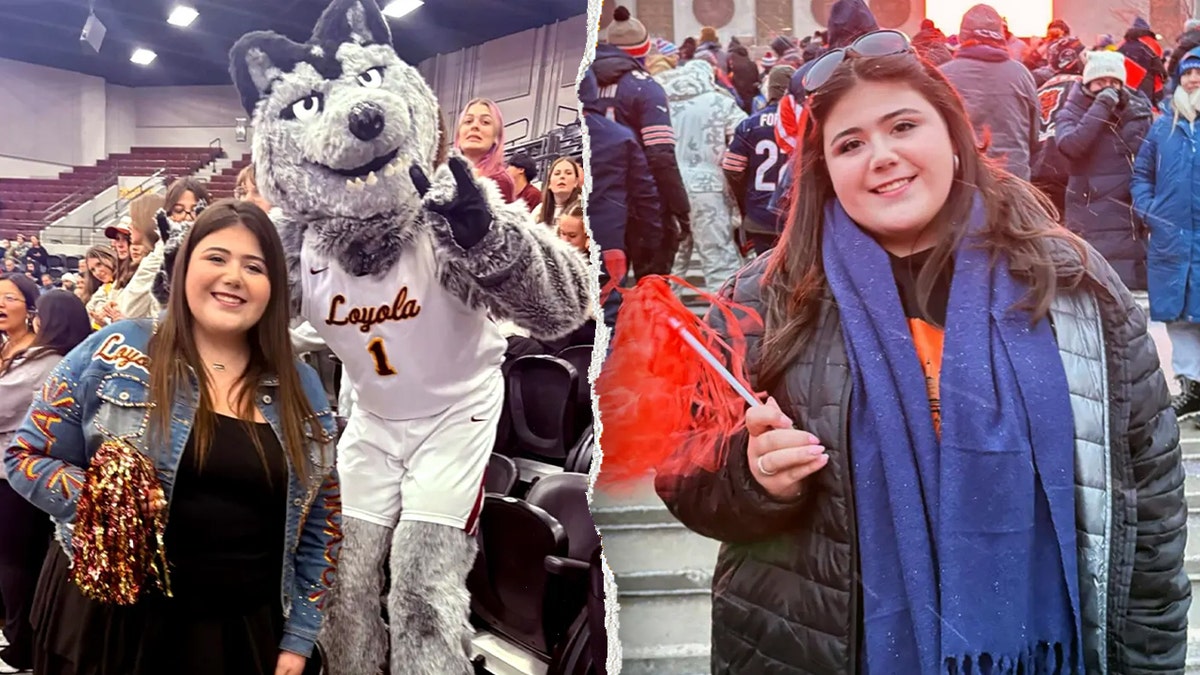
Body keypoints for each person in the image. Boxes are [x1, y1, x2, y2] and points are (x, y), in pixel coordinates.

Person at [650, 28, 1187, 672]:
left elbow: (1148, 505)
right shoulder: (763, 299)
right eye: (850, 144)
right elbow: (684, 473)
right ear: (825, 171)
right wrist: (752, 476)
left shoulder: (1072, 283)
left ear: (954, 136)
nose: (881, 156)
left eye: (903, 126)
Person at [3, 200, 343, 675]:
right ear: (183, 269)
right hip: (107, 624)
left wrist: (300, 637)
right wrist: (104, 500)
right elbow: (25, 454)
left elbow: (322, 516)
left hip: (239, 634)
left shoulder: (301, 384)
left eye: (255, 266)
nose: (234, 277)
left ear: (275, 286)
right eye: (216, 258)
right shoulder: (116, 348)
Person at [0, 282, 92, 675]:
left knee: (16, 562)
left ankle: (20, 644)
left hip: (21, 474)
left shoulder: (49, 363)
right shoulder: (47, 358)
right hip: (34, 473)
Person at [1132, 46, 1200, 418]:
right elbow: (1142, 173)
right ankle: (1192, 386)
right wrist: (1149, 209)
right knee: (1179, 317)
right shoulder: (1163, 126)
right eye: (1187, 73)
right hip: (1172, 237)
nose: (1193, 79)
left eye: (1198, 73)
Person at [1055, 49, 1153, 291]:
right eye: (1100, 82)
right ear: (1088, 83)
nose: (1108, 88)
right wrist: (1102, 106)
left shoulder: (1135, 110)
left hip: (1127, 211)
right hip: (1090, 207)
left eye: (1113, 82)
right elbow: (1071, 145)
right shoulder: (1071, 110)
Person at [453, 98, 516, 203]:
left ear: (497, 137)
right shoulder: (441, 173)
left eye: (485, 122)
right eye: (468, 121)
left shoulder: (501, 182)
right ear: (459, 135)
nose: (474, 126)